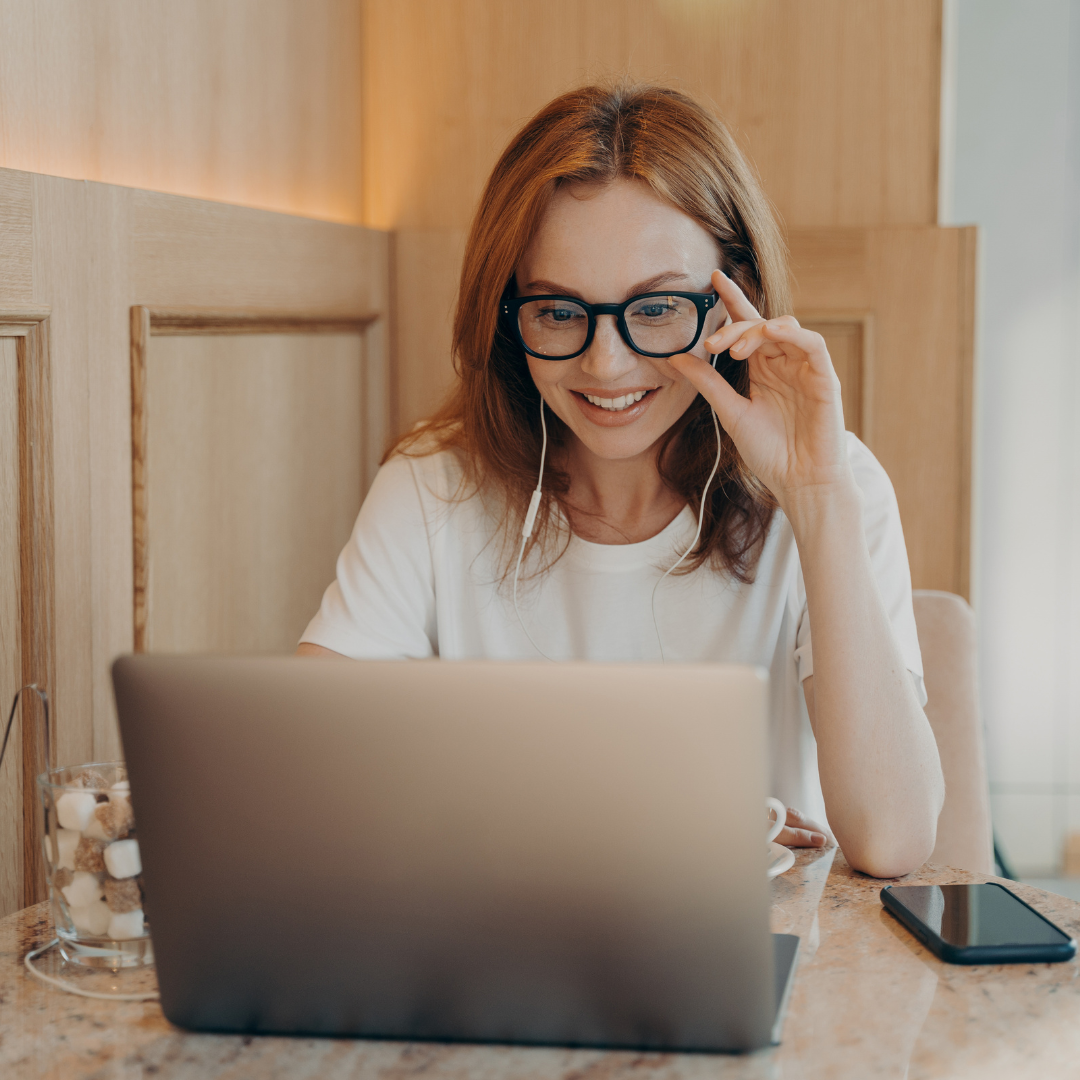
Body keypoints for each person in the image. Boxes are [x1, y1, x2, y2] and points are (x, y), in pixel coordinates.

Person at [298, 83, 944, 879]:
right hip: (503, 958)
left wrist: (816, 500)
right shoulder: (433, 488)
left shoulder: (833, 486)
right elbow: (307, 781)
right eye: (560, 312)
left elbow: (893, 839)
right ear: (508, 315)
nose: (607, 366)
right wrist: (667, 825)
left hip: (764, 966)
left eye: (658, 307)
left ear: (731, 299)